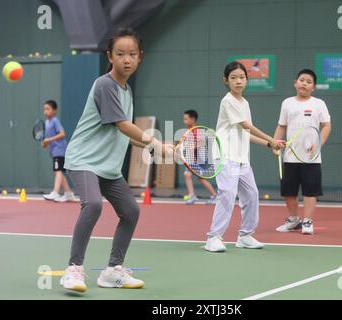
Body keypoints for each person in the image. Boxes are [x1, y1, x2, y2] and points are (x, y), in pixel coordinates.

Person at [59, 28, 173, 292]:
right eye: (120, 54)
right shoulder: (105, 85)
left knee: (131, 211)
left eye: (132, 54)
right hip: (84, 160)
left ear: (140, 57)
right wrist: (155, 141)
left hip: (107, 166)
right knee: (93, 205)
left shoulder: (126, 90)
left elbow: (122, 133)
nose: (126, 59)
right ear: (110, 56)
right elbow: (123, 125)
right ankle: (73, 270)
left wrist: (158, 146)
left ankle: (112, 271)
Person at [204, 61, 284, 252]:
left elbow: (245, 133)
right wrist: (272, 139)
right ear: (226, 81)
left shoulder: (244, 103)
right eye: (233, 78)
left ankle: (245, 235)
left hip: (241, 159)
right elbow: (246, 126)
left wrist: (268, 144)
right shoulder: (228, 101)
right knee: (228, 195)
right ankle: (213, 237)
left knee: (252, 194)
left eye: (241, 77)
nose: (238, 81)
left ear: (246, 79)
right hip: (224, 157)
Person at [274, 69, 331, 235]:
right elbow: (282, 126)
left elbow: (326, 126)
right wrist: (274, 143)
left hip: (311, 158)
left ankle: (307, 221)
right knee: (289, 191)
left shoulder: (318, 103)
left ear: (313, 87)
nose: (304, 83)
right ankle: (293, 220)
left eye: (308, 81)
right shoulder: (287, 103)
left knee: (310, 191)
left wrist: (319, 143)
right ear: (295, 83)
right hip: (290, 156)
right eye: (301, 80)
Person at [41, 100, 75, 202]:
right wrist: (46, 143)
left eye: (48, 109)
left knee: (58, 171)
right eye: (44, 109)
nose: (45, 111)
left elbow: (62, 134)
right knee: (58, 173)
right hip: (54, 150)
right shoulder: (47, 122)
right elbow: (48, 137)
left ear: (54, 110)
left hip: (60, 149)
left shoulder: (55, 121)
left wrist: (49, 140)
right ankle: (69, 194)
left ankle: (55, 192)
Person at [182, 109, 217, 205]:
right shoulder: (188, 131)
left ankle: (213, 196)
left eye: (186, 119)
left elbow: (201, 142)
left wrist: (193, 146)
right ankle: (193, 195)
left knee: (194, 177)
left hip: (198, 160)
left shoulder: (197, 130)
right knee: (191, 176)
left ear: (192, 119)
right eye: (183, 119)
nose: (184, 121)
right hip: (192, 159)